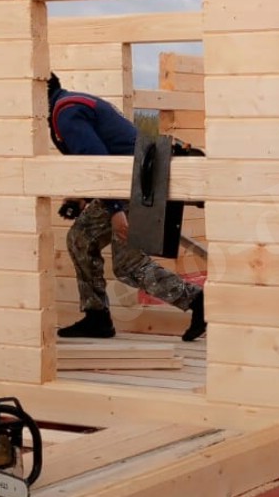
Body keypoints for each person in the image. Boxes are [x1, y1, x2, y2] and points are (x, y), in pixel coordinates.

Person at [47, 72, 206, 342]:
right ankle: (96, 317)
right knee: (80, 238)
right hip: (130, 183)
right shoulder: (69, 105)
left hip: (136, 186)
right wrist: (82, 197)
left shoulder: (66, 112)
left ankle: (197, 301)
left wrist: (115, 210)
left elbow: (100, 161)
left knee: (128, 265)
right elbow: (101, 155)